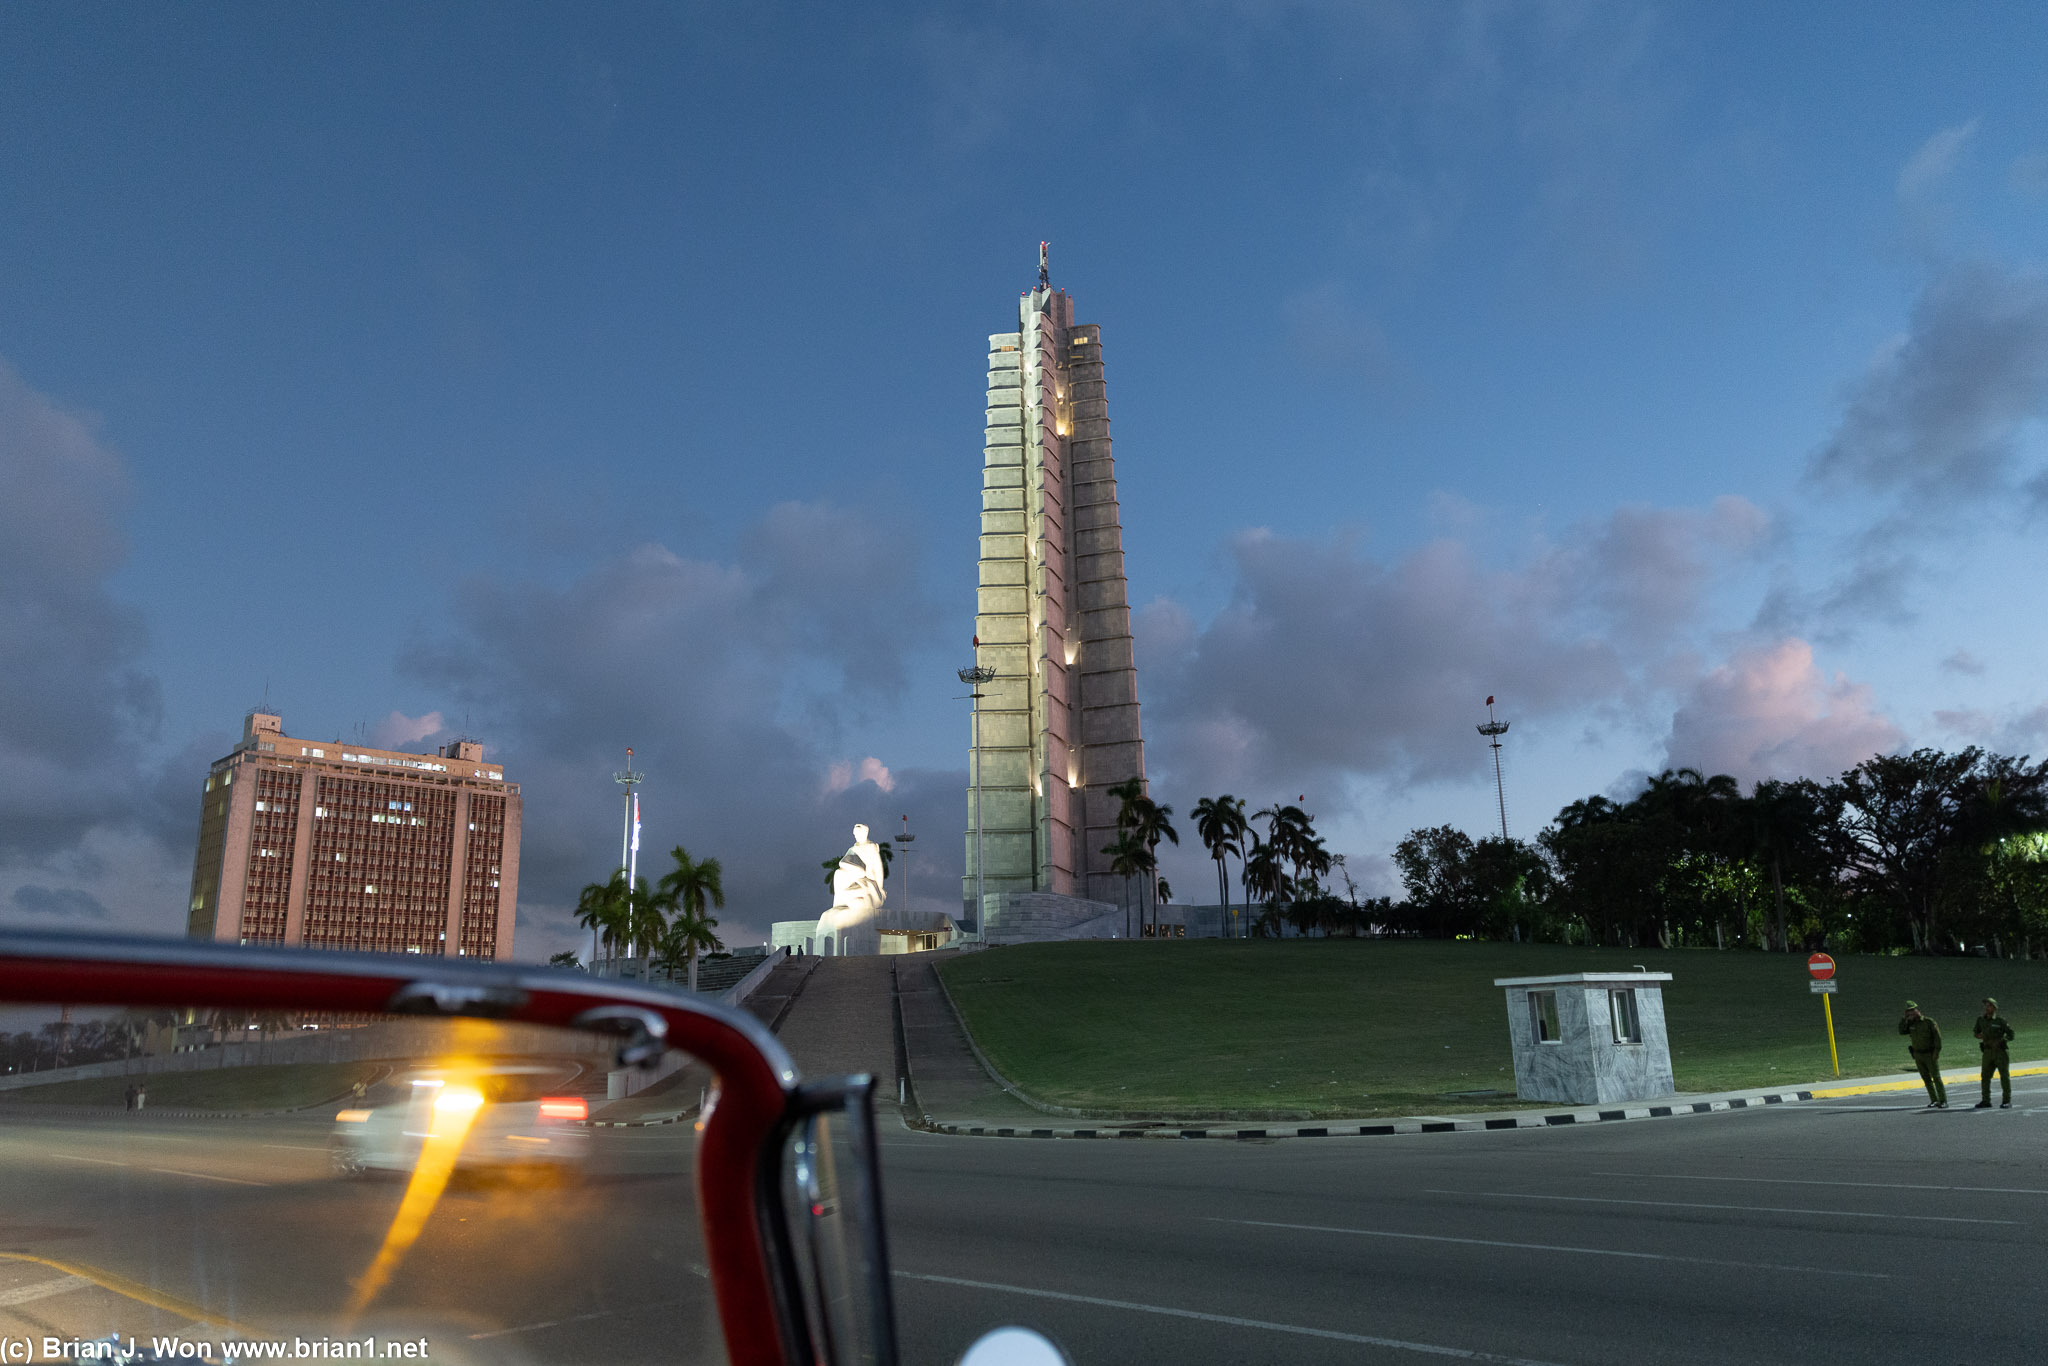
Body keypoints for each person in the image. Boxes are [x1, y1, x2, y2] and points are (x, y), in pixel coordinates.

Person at [1900, 1002, 1945, 1108]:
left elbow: (1937, 1038)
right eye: (1908, 1011)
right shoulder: (1911, 1024)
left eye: (1912, 1010)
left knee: (1936, 1078)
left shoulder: (1928, 1022)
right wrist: (1904, 1019)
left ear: (1917, 1010)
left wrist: (1936, 1052)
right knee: (1926, 1078)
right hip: (1918, 1054)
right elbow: (1901, 1031)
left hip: (1930, 1053)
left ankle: (1943, 1100)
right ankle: (1934, 1100)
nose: (1910, 1013)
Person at [1973, 997, 2015, 1109]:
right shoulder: (1981, 1020)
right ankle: (1986, 1100)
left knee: (2004, 1076)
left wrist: (2002, 1040)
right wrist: (1979, 1036)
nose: (1987, 1008)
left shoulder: (2000, 1021)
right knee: (1985, 1077)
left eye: (1990, 1006)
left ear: (1994, 1008)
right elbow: (1976, 1032)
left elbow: (2011, 1035)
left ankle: (2006, 1100)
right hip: (1987, 1052)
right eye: (1986, 1005)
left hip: (2000, 1052)